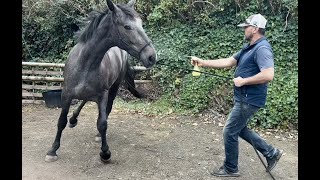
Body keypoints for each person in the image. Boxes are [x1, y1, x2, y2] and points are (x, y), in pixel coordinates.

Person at [190, 13, 283, 177]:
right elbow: (228, 62)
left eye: (246, 27)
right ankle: (271, 153)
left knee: (229, 131)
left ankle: (231, 168)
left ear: (254, 29)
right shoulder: (249, 48)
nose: (244, 30)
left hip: (249, 99)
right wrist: (202, 62)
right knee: (239, 129)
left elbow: (268, 74)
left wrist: (244, 81)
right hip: (244, 98)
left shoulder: (262, 48)